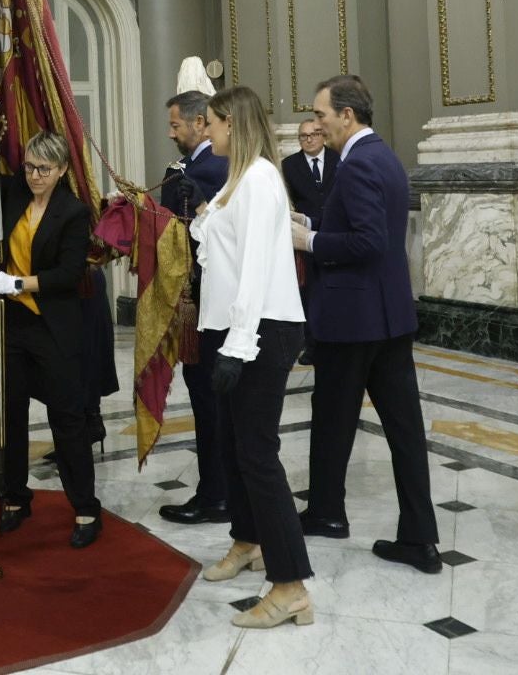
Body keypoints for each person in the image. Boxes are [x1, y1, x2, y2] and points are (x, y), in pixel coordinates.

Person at [292, 75, 440, 573]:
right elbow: (362, 229)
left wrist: (307, 243)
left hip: (352, 319)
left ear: (347, 115)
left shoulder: (356, 165)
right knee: (405, 432)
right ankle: (419, 537)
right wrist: (311, 226)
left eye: (321, 114)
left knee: (331, 422)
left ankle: (326, 514)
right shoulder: (384, 156)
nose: (317, 123)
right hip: (390, 315)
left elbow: (366, 242)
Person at [188, 86, 310, 629]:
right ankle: (248, 540)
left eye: (210, 122)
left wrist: (239, 345)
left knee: (258, 454)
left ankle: (291, 586)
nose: (204, 130)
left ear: (232, 124)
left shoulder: (259, 178)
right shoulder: (235, 182)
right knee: (237, 447)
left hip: (261, 330)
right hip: (232, 328)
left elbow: (258, 266)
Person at [0, 131, 101, 548]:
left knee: (67, 419)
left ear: (63, 170)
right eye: (30, 166)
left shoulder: (73, 212)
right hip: (15, 326)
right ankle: (15, 497)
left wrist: (15, 282)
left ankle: (86, 507)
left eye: (44, 169)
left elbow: (69, 275)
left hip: (54, 327)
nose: (34, 175)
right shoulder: (13, 192)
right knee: (11, 415)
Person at [156, 90, 231, 526]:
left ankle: (215, 495)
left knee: (209, 402)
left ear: (200, 123)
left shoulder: (209, 168)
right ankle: (216, 490)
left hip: (205, 302)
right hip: (202, 301)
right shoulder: (199, 167)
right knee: (208, 401)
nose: (171, 132)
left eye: (175, 125)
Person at [284, 118, 339, 362]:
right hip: (303, 235)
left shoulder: (340, 160)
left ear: (323, 136)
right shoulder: (289, 165)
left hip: (336, 232)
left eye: (314, 134)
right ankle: (312, 343)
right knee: (309, 290)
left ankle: (336, 338)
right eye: (303, 136)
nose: (309, 139)